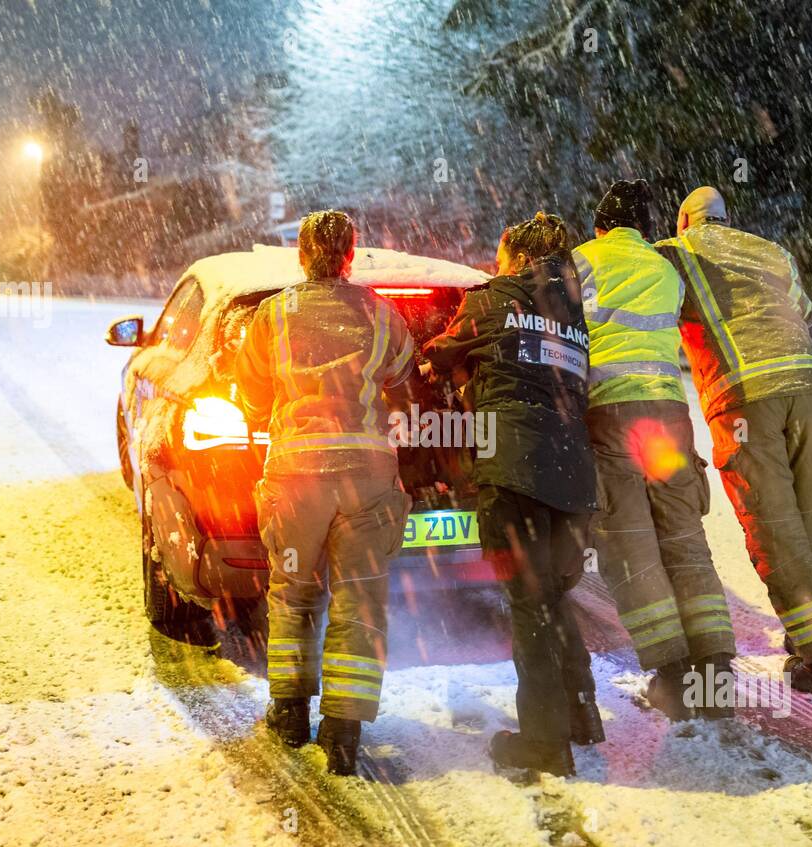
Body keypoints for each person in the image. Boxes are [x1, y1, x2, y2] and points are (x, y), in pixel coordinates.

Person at [235, 209, 415, 775]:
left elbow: (250, 392)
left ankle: (288, 712)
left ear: (302, 254)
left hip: (295, 478)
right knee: (360, 601)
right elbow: (405, 376)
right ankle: (343, 731)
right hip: (365, 477)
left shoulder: (273, 316)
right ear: (350, 254)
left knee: (292, 591)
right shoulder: (381, 313)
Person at [656, 186, 812, 703]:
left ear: (685, 222)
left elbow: (637, 297)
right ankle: (806, 635)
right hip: (809, 391)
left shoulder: (677, 253)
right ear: (726, 218)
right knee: (809, 519)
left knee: (774, 527)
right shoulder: (772, 251)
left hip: (745, 397)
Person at [423, 212, 600, 777]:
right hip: (572, 474)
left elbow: (441, 352)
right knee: (549, 597)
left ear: (518, 259)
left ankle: (545, 744)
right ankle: (580, 713)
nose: (495, 269)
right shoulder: (575, 311)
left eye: (500, 259)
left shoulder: (492, 300)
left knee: (529, 605)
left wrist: (433, 361)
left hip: (517, 468)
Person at [573, 179, 737, 720]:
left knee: (632, 543)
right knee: (684, 536)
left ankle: (671, 676)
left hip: (611, 413)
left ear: (600, 225)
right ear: (645, 228)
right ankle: (714, 671)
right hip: (667, 417)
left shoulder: (582, 262)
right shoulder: (665, 269)